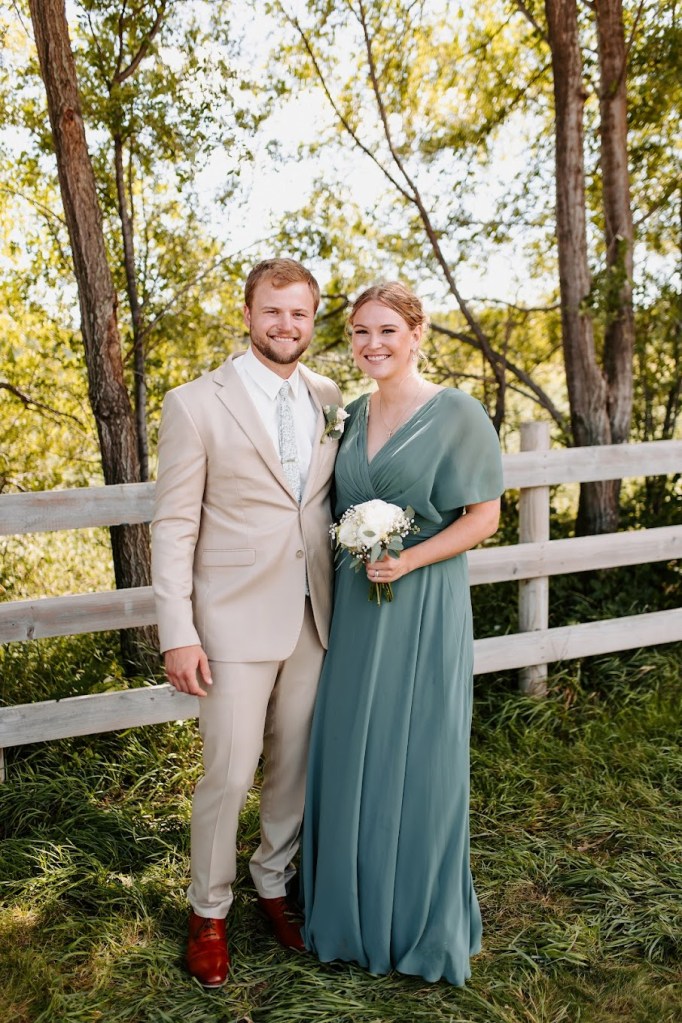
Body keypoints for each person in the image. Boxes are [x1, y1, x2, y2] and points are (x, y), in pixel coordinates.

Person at [301, 281, 503, 986]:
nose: (373, 344)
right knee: (353, 745)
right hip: (357, 606)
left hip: (423, 603)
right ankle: (350, 915)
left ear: (417, 334)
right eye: (361, 331)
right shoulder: (349, 416)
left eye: (387, 330)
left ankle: (417, 920)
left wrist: (410, 559)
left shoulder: (458, 413)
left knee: (420, 751)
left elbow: (484, 517)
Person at [151, 258, 342, 987]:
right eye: (273, 311)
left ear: (312, 320)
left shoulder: (329, 396)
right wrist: (178, 631)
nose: (286, 325)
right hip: (229, 619)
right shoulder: (195, 403)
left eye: (299, 313)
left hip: (313, 612)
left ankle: (273, 883)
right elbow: (173, 526)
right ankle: (208, 911)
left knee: (294, 767)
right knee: (229, 773)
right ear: (248, 313)